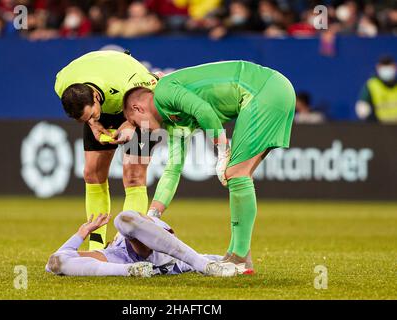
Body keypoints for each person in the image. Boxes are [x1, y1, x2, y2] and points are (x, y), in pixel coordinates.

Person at [123, 60, 295, 274]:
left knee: (235, 173)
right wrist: (153, 215)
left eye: (136, 122)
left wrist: (223, 152)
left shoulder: (163, 90)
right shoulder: (175, 122)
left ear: (137, 107)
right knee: (239, 176)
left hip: (263, 90)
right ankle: (236, 255)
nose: (142, 129)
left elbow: (203, 110)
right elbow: (173, 169)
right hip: (273, 89)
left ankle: (240, 256)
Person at [54, 50, 160, 250]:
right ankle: (97, 246)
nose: (89, 120)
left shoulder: (128, 81)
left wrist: (131, 123)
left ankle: (126, 245)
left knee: (134, 175)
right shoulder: (62, 83)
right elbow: (88, 115)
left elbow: (155, 92)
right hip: (107, 103)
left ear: (95, 96)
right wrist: (93, 123)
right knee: (92, 174)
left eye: (91, 114)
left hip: (139, 105)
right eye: (83, 120)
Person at [45, 212, 238, 277]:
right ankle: (131, 270)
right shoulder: (115, 250)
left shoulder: (146, 224)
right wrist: (82, 233)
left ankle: (203, 266)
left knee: (123, 219)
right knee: (56, 262)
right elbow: (53, 263)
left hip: (154, 253)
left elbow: (211, 257)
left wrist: (220, 260)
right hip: (125, 259)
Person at [356, 55, 397, 123]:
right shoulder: (371, 85)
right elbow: (362, 108)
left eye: (389, 67)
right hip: (379, 128)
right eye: (383, 67)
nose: (387, 70)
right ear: (377, 68)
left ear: (395, 67)